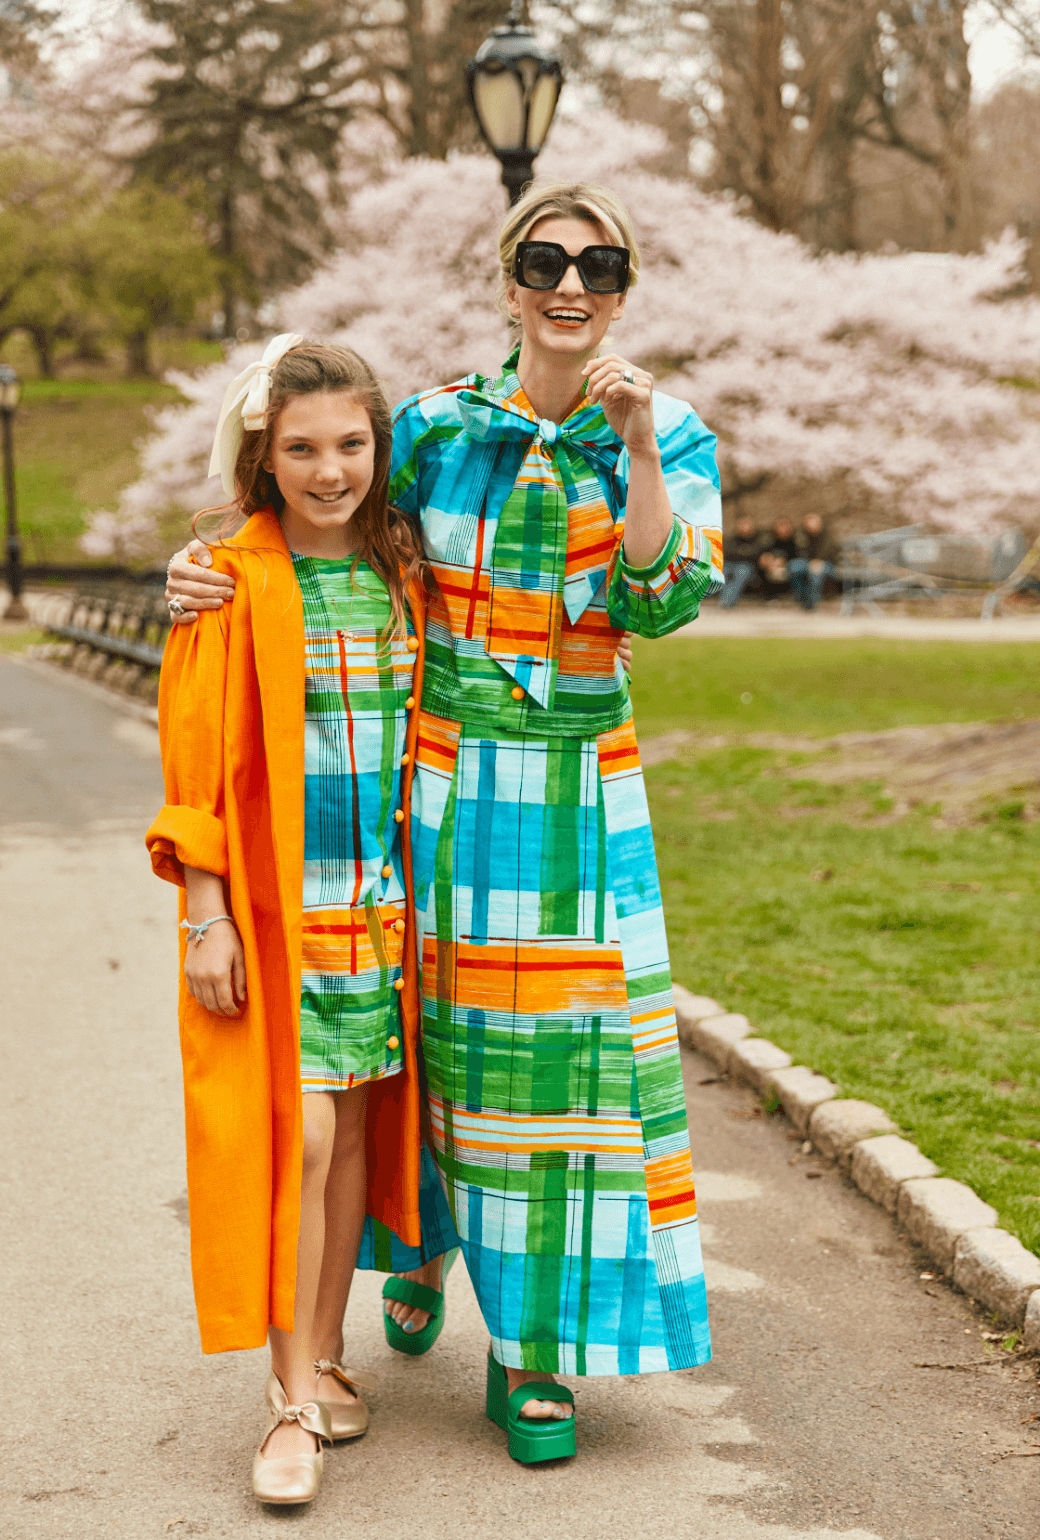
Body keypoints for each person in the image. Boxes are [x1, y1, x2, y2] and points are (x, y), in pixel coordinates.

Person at [165, 180, 723, 1464]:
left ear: (627, 284)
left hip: (575, 794)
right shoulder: (424, 425)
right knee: (410, 1052)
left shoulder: (674, 434)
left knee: (559, 1075)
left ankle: (533, 1354)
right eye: (543, 259)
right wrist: (201, 569)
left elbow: (654, 598)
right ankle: (424, 1252)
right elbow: (321, 528)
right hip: (423, 791)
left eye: (597, 263)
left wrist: (633, 445)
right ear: (506, 279)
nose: (569, 283)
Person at [147, 337, 456, 1506]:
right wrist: (204, 915)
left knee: (358, 1143)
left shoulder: (401, 577)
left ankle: (324, 1353)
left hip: (377, 915)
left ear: (378, 448)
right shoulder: (225, 581)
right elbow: (198, 768)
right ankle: (285, 1402)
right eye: (300, 449)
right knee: (302, 1139)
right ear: (260, 458)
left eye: (350, 445)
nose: (329, 470)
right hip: (277, 915)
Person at [789, 511, 839, 611]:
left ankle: (812, 602)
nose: (810, 526)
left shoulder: (827, 535)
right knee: (793, 566)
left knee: (816, 571)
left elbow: (827, 552)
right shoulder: (803, 535)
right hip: (808, 563)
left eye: (813, 523)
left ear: (819, 523)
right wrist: (810, 562)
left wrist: (817, 561)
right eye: (808, 523)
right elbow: (801, 551)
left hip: (828, 564)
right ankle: (800, 597)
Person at [719, 512, 767, 608]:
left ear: (752, 526)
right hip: (730, 565)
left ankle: (726, 601)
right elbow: (727, 554)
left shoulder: (758, 539)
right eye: (742, 524)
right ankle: (725, 600)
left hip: (750, 569)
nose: (745, 527)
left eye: (747, 524)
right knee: (723, 571)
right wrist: (746, 553)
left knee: (741, 571)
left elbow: (756, 555)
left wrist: (741, 553)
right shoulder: (732, 539)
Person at [758, 514, 799, 594]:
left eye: (785, 525)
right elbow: (761, 553)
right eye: (780, 525)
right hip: (771, 566)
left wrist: (783, 562)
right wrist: (769, 561)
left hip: (790, 565)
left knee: (794, 568)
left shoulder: (796, 539)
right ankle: (769, 595)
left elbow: (800, 556)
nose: (782, 528)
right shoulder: (768, 539)